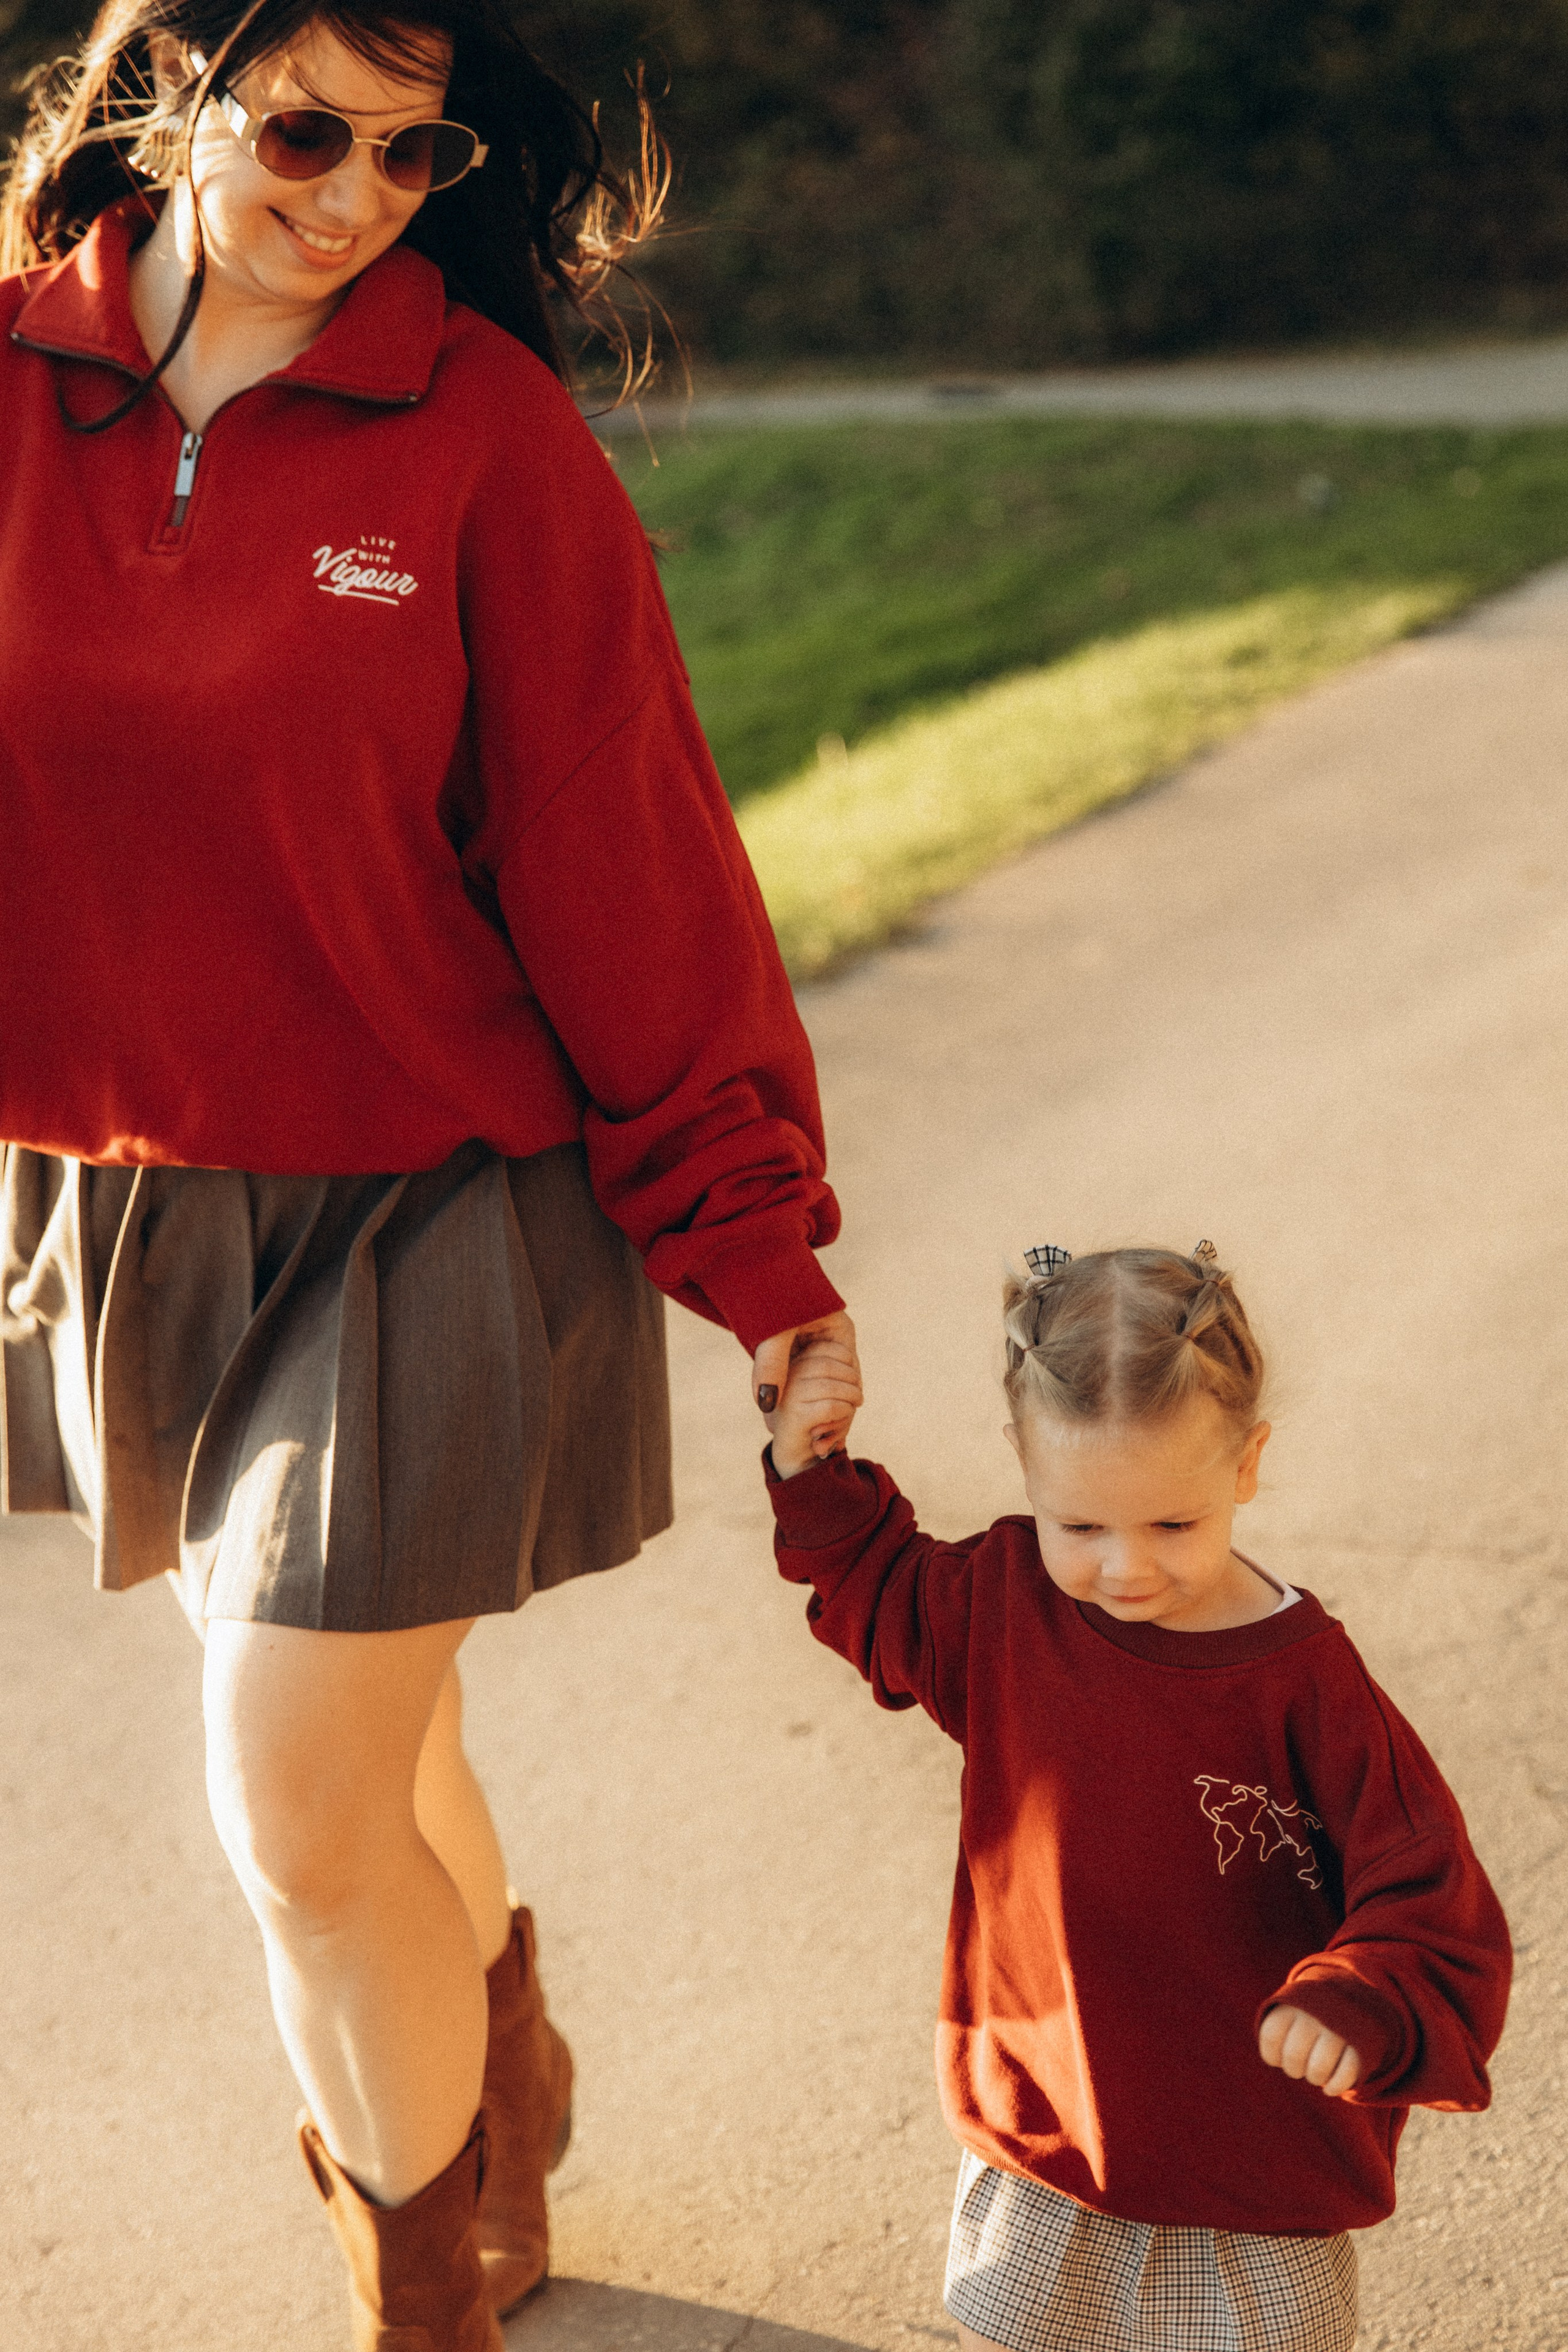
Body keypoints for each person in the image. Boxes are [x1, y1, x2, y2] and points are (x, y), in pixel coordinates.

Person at [0, 4, 860, 2347]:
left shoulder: (479, 435)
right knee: (376, 1759)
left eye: (414, 148)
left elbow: (627, 856)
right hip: (137, 1196)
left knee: (292, 1799)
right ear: (169, 91)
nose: (357, 191)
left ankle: (418, 2300)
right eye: (304, 129)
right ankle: (497, 2059)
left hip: (439, 1202)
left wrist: (753, 1233)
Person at [762, 1244, 1510, 2352]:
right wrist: (810, 1466)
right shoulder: (1008, 1604)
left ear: (1247, 1466)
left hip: (1249, 2175)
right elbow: (881, 1587)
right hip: (1053, 2123)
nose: (1125, 1569)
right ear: (1023, 1462)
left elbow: (1426, 1886)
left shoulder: (1304, 1679)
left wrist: (1355, 1998)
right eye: (1081, 1526)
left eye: (1172, 1525)